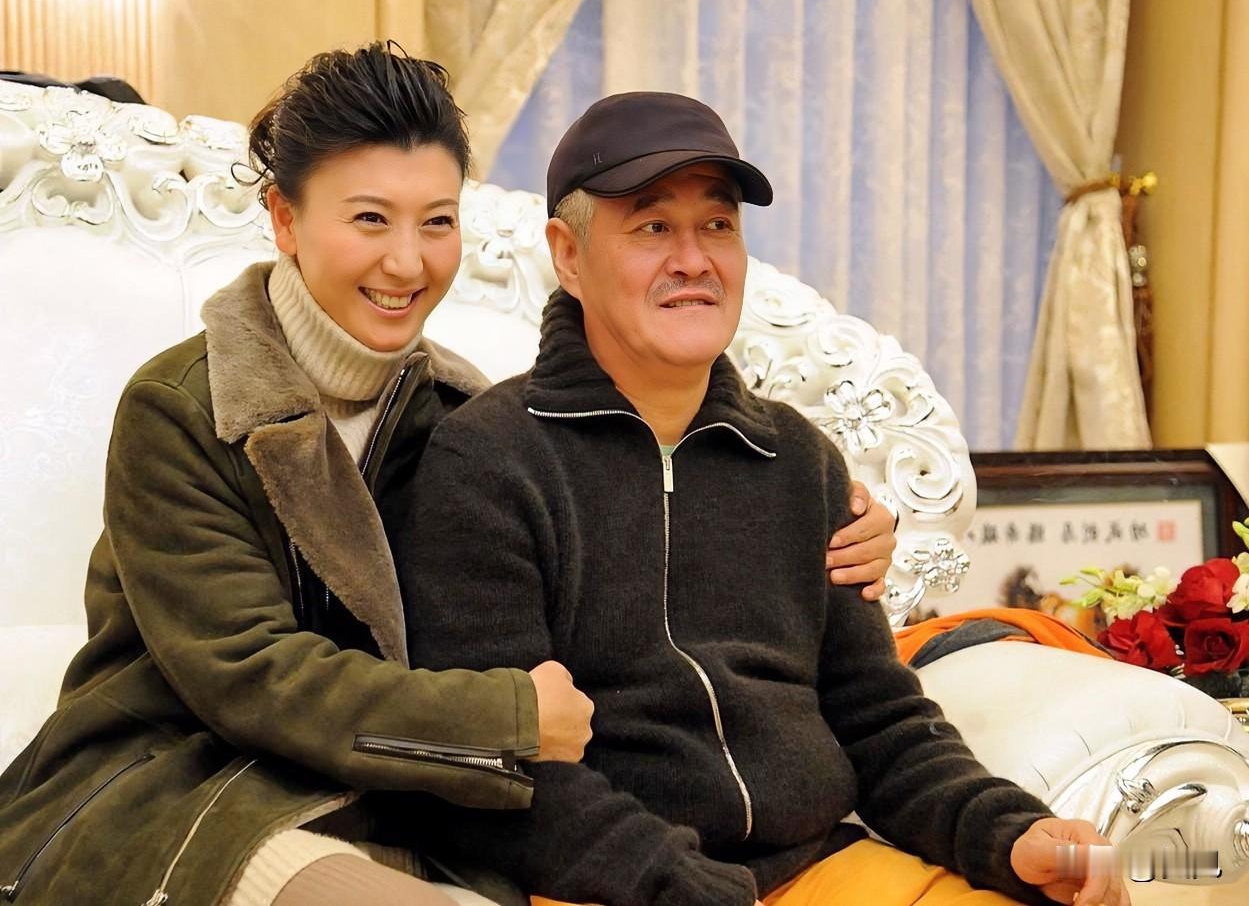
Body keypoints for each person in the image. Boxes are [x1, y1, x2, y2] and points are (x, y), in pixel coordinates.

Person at [0, 47, 895, 906]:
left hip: (381, 791)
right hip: (179, 785)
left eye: (436, 221)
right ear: (284, 219)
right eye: (368, 219)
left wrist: (842, 526)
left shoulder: (455, 416)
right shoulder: (184, 406)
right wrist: (506, 719)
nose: (407, 261)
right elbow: (248, 673)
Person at [399, 92, 1131, 906]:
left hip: (817, 865)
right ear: (568, 256)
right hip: (609, 882)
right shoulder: (489, 459)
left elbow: (879, 720)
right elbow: (503, 766)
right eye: (652, 226)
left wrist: (1010, 832)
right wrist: (683, 885)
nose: (693, 259)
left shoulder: (797, 459)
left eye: (717, 225)